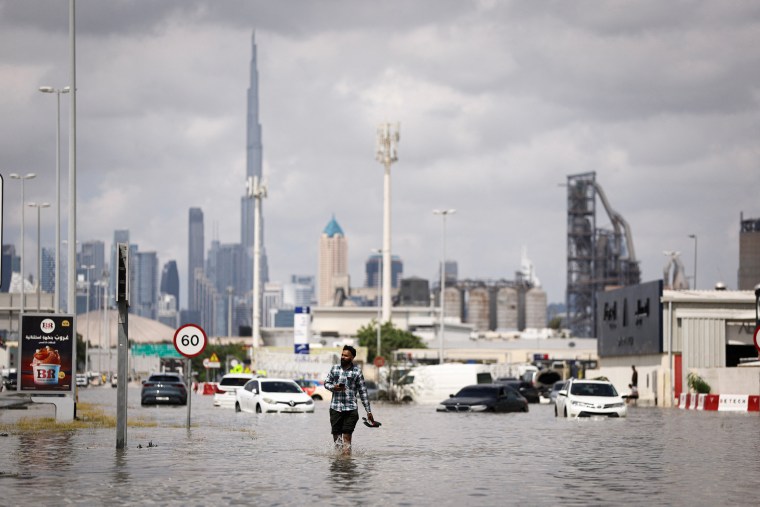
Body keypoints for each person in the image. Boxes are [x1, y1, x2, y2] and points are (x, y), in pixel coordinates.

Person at [324, 345, 375, 455]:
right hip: (335, 408)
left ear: (352, 357)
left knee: (347, 438)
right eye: (342, 355)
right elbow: (326, 383)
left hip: (351, 409)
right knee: (337, 439)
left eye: (346, 356)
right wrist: (334, 387)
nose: (342, 357)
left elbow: (363, 392)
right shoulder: (334, 369)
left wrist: (368, 411)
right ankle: (338, 465)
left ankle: (347, 466)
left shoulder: (357, 372)